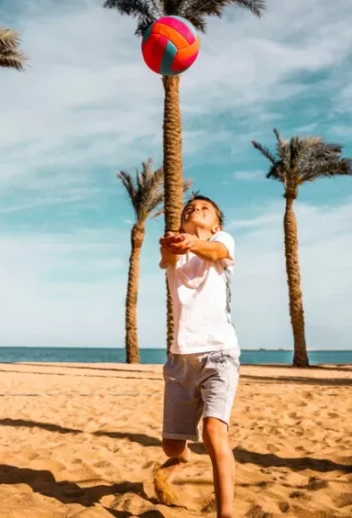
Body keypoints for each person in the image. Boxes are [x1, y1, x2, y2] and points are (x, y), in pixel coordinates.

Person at [155, 195, 240, 518]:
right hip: (180, 360)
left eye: (205, 209)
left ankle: (226, 514)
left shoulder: (222, 241)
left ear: (216, 223)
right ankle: (181, 457)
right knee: (171, 447)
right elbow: (167, 256)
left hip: (220, 353)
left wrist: (191, 242)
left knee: (214, 431)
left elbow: (216, 251)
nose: (196, 210)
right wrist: (172, 245)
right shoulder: (176, 253)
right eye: (190, 209)